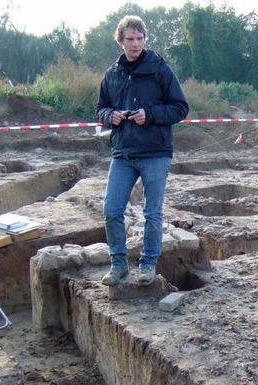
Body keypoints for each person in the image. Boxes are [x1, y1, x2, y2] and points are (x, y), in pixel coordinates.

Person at [96, 15, 189, 287]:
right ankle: (118, 264)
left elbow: (180, 108)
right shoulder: (112, 74)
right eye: (130, 39)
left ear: (145, 39)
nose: (135, 44)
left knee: (152, 213)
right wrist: (109, 115)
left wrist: (148, 114)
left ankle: (148, 264)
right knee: (112, 209)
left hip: (155, 152)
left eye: (139, 38)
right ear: (120, 41)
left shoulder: (160, 69)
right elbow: (100, 108)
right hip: (123, 152)